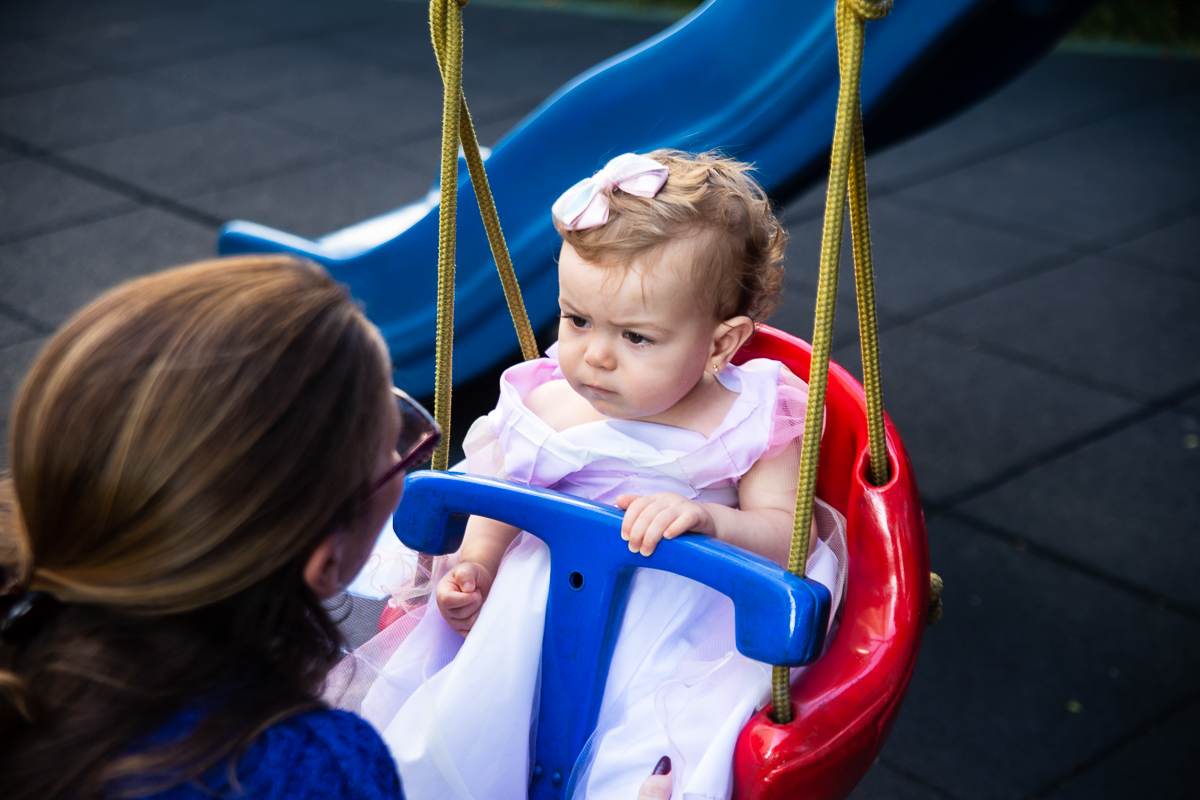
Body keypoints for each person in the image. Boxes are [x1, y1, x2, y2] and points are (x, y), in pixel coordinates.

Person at [332, 151, 847, 800]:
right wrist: (478, 564)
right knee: (469, 723)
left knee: (657, 731)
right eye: (577, 320)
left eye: (636, 337)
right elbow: (501, 494)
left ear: (720, 344)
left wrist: (711, 520)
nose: (594, 356)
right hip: (534, 610)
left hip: (680, 619)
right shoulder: (544, 398)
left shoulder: (756, 414)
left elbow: (785, 537)